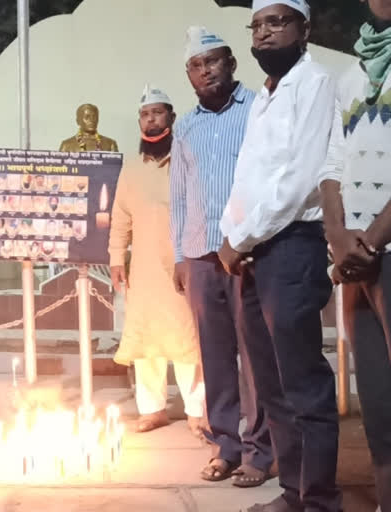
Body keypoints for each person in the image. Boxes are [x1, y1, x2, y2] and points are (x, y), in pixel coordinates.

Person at [217, 1, 342, 510]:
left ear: (304, 28)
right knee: (271, 386)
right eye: (258, 25)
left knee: (303, 385)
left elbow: (298, 181)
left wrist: (238, 239)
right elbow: (247, 180)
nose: (265, 34)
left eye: (278, 21)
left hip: (291, 246)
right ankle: (293, 492)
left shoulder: (314, 83)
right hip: (253, 253)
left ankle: (318, 501)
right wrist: (235, 238)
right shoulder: (265, 96)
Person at [171, 27, 273, 487]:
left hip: (246, 251)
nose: (206, 70)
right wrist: (179, 254)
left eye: (213, 61)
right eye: (197, 64)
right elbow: (178, 196)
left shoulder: (257, 109)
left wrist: (255, 238)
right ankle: (226, 446)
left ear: (232, 63)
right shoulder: (186, 126)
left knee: (255, 355)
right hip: (199, 255)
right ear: (189, 75)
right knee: (213, 357)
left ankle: (260, 451)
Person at [319, 1, 391, 509]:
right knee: (378, 402)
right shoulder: (352, 75)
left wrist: (376, 237)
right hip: (357, 258)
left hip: (384, 248)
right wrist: (339, 236)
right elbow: (332, 161)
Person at [109, 86, 206, 438]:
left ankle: (196, 410)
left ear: (171, 118)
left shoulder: (187, 161)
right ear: (140, 122)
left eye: (158, 113)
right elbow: (120, 218)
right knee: (146, 342)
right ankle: (152, 410)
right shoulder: (132, 170)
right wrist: (117, 258)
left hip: (183, 266)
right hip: (145, 270)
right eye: (145, 114)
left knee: (186, 339)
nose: (151, 119)